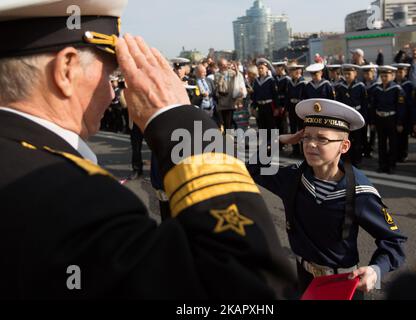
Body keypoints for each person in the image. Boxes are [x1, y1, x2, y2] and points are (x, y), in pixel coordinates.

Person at [0, 0, 296, 299]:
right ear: (67, 70)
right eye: (108, 76)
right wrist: (177, 117)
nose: (113, 92)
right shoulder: (74, 199)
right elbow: (249, 292)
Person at [247, 99, 407, 298]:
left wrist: (376, 269)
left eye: (322, 139)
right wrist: (278, 140)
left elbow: (394, 240)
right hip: (304, 277)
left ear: (344, 146)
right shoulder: (294, 178)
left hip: (341, 285)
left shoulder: (359, 191)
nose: (311, 144)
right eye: (307, 137)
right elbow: (253, 169)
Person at [371, 66, 406, 174]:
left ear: (392, 76)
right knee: (381, 143)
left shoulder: (397, 89)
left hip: (392, 118)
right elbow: (373, 106)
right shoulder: (377, 89)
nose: (384, 78)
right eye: (382, 76)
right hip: (380, 118)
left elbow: (401, 107)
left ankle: (391, 165)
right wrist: (372, 122)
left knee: (392, 143)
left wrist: (400, 122)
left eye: (386, 76)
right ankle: (382, 165)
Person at [335, 64, 368, 167]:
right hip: (345, 116)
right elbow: (338, 103)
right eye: (345, 74)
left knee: (357, 139)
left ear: (355, 74)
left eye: (349, 74)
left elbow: (364, 103)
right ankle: (346, 159)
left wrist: (365, 118)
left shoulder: (360, 86)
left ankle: (357, 160)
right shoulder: (340, 87)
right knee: (346, 138)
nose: (347, 76)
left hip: (357, 115)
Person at [251, 58, 279, 150]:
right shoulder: (256, 81)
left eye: (262, 68)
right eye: (259, 68)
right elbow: (254, 95)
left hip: (269, 106)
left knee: (270, 126)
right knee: (262, 126)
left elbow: (275, 95)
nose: (260, 70)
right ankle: (264, 144)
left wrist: (276, 108)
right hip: (260, 106)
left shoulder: (271, 80)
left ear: (267, 69)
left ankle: (272, 144)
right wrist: (253, 107)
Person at [392, 63, 414, 163]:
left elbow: (411, 102)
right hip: (394, 114)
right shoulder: (392, 84)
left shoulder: (409, 85)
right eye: (396, 72)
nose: (398, 74)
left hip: (406, 114)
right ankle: (396, 154)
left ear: (405, 72)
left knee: (404, 136)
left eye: (401, 72)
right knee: (394, 136)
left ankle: (403, 154)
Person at [285, 63, 307, 158]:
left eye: (292, 71)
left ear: (298, 71)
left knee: (302, 130)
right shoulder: (290, 82)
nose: (290, 73)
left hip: (300, 109)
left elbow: (306, 97)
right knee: (293, 130)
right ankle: (295, 150)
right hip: (292, 108)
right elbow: (287, 96)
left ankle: (303, 151)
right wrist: (286, 109)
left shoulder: (304, 83)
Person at [361, 64, 380, 158]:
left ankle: (371, 148)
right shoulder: (361, 84)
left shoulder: (377, 85)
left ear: (373, 73)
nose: (366, 75)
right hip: (364, 110)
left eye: (368, 73)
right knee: (363, 129)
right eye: (365, 73)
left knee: (373, 130)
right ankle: (365, 148)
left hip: (373, 111)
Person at [214, 58, 237, 131]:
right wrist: (222, 76)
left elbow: (238, 79)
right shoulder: (217, 74)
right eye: (222, 65)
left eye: (225, 65)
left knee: (229, 121)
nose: (224, 66)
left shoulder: (231, 72)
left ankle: (229, 137)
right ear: (219, 66)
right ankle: (226, 137)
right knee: (224, 121)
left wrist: (236, 70)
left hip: (230, 101)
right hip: (222, 102)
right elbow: (217, 86)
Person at [273, 61, 289, 134]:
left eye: (277, 68)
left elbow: (287, 94)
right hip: (276, 104)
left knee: (284, 123)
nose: (275, 69)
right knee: (277, 123)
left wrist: (284, 106)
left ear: (282, 68)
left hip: (283, 104)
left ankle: (284, 141)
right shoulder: (275, 78)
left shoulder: (287, 79)